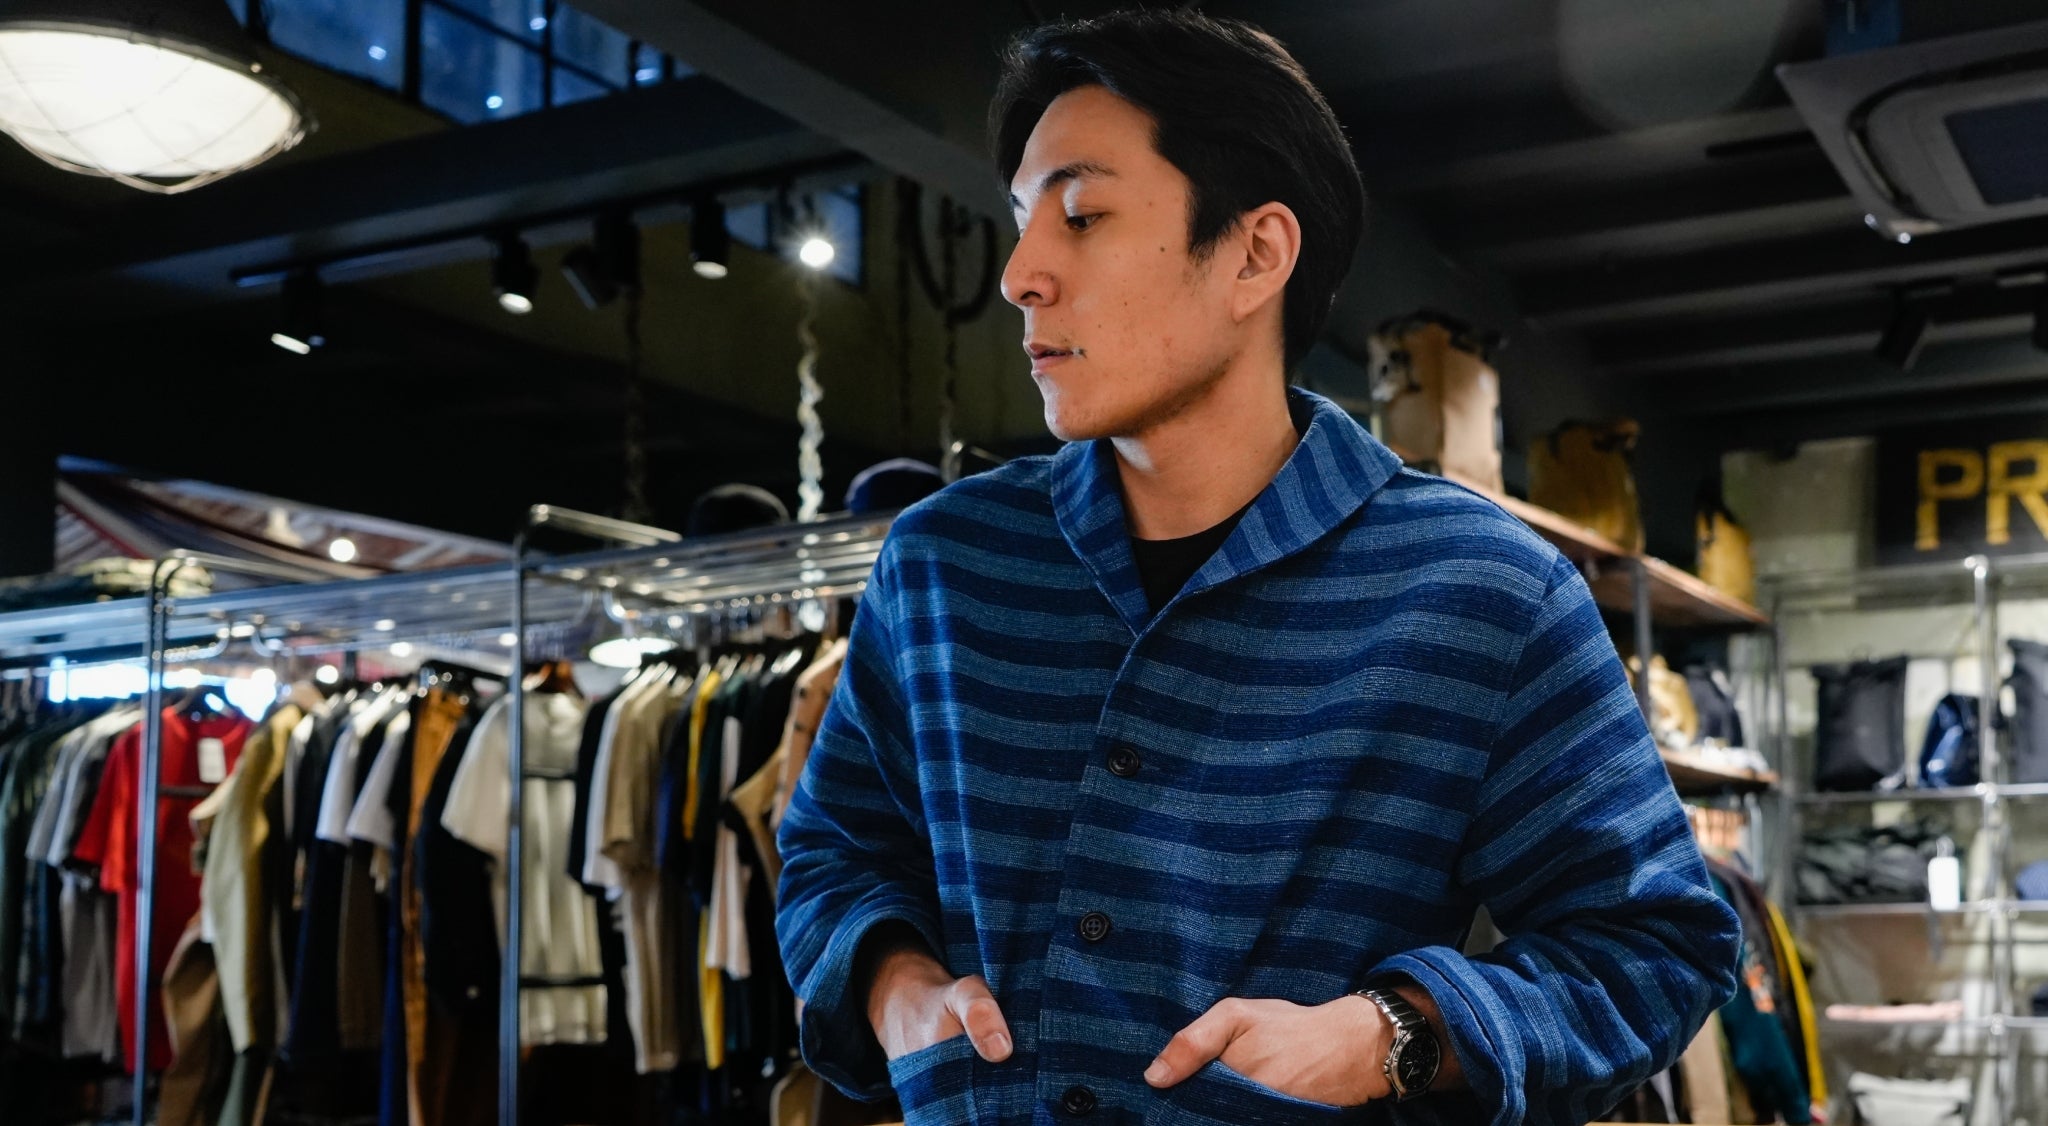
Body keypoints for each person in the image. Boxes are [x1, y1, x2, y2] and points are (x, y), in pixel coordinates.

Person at [775, 10, 1740, 1125]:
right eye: (1020, 221)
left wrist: (1388, 1035)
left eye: (1081, 216)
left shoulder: (1482, 593)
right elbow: (833, 851)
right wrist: (896, 988)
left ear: (1254, 254)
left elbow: (1655, 945)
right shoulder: (945, 565)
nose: (1020, 274)